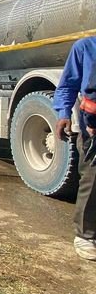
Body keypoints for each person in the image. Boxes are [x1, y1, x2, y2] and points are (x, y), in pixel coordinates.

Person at [54, 35, 96, 261]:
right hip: (93, 128)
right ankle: (85, 235)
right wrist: (63, 114)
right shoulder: (85, 47)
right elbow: (68, 84)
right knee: (92, 179)